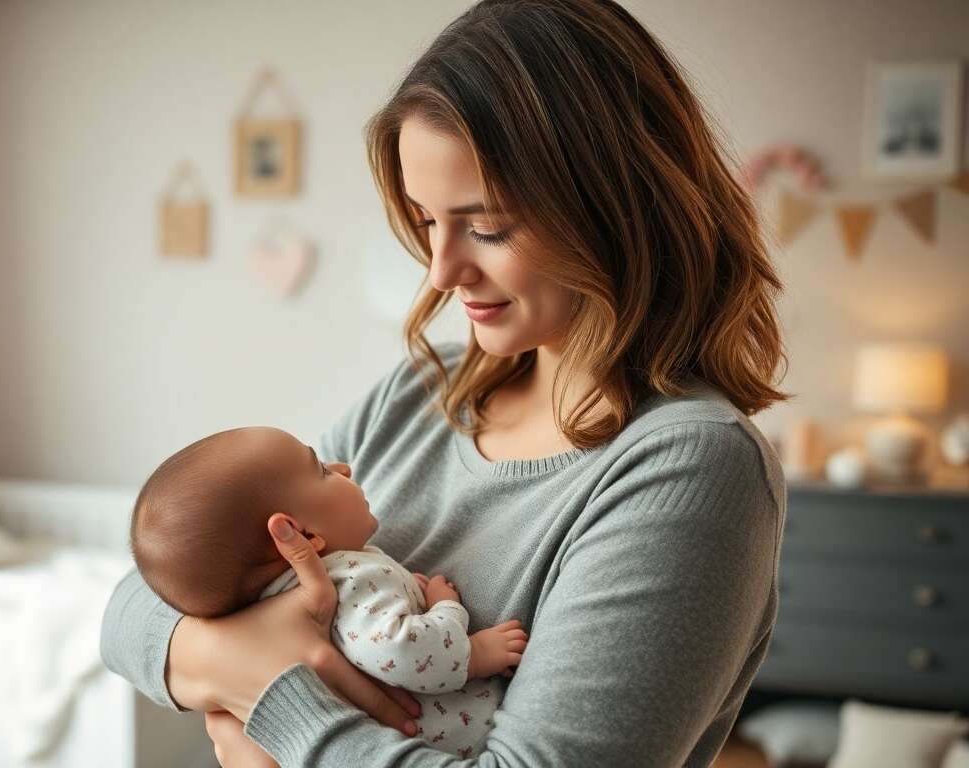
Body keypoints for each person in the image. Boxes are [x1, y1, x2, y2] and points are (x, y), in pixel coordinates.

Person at [100, 0, 789, 764]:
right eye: (426, 221)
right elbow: (137, 604)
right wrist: (237, 659)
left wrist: (272, 701)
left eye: (486, 226)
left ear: (615, 207)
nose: (440, 271)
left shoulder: (689, 467)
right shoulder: (428, 394)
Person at [129, 425, 531, 758]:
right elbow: (401, 650)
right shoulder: (350, 576)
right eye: (322, 471)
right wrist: (461, 633)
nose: (345, 467)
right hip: (451, 741)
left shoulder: (287, 596)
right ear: (302, 535)